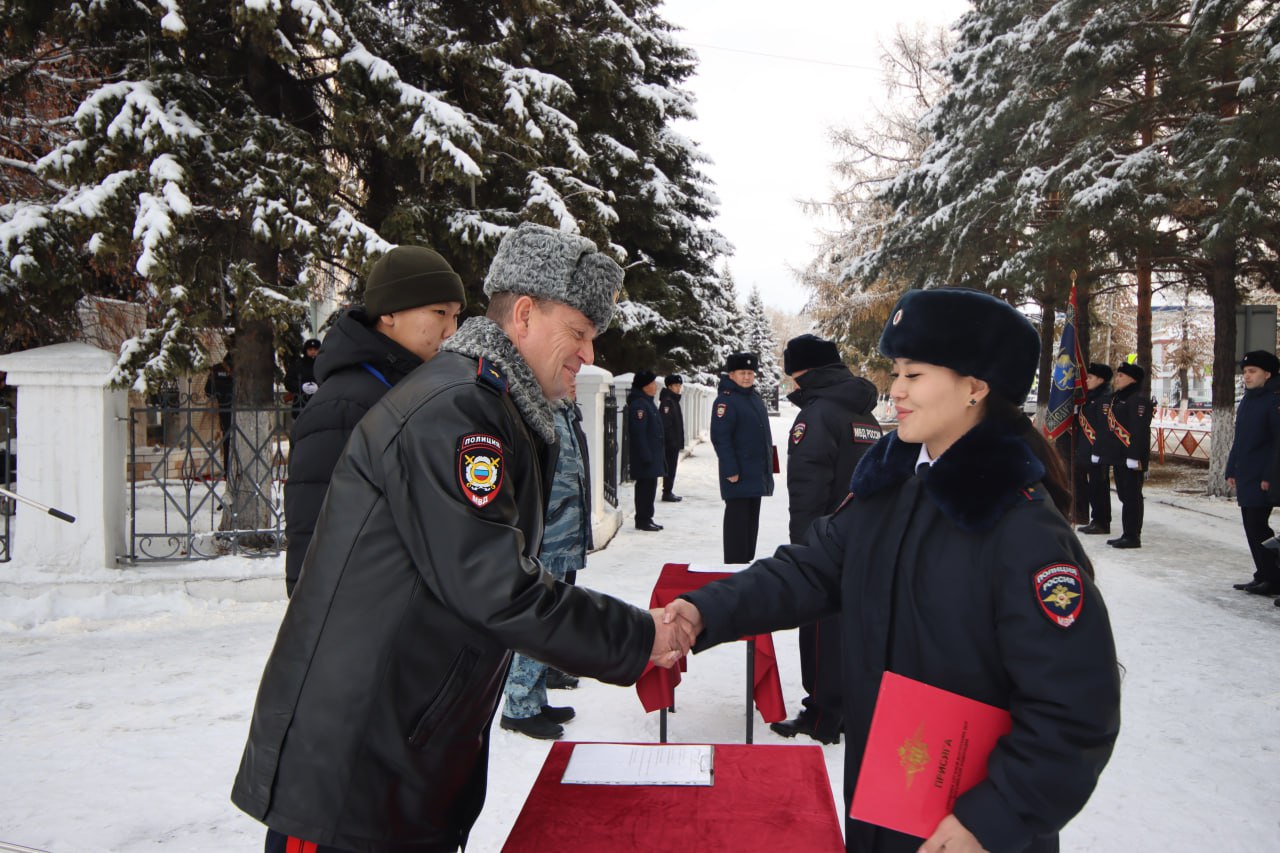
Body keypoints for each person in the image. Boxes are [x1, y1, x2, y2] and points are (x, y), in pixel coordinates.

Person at [231, 222, 694, 853]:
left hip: (402, 757)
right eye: (580, 334)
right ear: (525, 314)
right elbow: (496, 587)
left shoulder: (495, 406)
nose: (588, 355)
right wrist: (639, 636)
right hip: (356, 777)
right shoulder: (458, 411)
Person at [664, 288, 1121, 853]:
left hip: (969, 829)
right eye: (896, 372)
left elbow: (1075, 708)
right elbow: (808, 571)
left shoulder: (1020, 526)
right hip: (885, 799)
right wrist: (702, 611)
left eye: (916, 375)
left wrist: (993, 818)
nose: (895, 391)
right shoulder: (888, 488)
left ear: (976, 387)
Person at [282, 245, 465, 596]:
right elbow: (313, 538)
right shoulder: (343, 405)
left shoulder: (417, 389)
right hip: (367, 629)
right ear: (390, 313)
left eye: (456, 316)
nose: (450, 331)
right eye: (440, 312)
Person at [769, 333, 881, 746]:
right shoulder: (862, 414)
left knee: (818, 626)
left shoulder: (817, 415)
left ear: (802, 373)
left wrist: (804, 551)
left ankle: (821, 716)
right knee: (850, 626)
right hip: (862, 536)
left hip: (826, 541)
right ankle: (849, 709)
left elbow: (808, 487)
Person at [499, 388, 593, 739]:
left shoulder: (567, 411)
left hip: (567, 530)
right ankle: (518, 706)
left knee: (554, 618)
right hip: (547, 533)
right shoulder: (534, 409)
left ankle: (536, 699)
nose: (573, 381)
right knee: (538, 618)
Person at [1225, 350, 1280, 596]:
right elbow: (1240, 439)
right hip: (1247, 473)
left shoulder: (1273, 400)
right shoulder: (1249, 399)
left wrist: (1270, 476)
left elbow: (1277, 442)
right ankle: (1263, 574)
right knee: (1251, 526)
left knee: (1259, 526)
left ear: (1267, 374)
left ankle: (1273, 577)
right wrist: (1230, 467)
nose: (1246, 376)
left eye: (1252, 371)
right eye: (1245, 371)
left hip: (1263, 477)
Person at [711, 352, 774, 562]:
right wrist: (730, 470)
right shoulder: (726, 401)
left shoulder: (754, 399)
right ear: (731, 374)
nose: (747, 377)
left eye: (750, 373)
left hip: (756, 473)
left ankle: (745, 561)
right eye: (742, 373)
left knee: (750, 523)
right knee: (737, 523)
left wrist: (769, 468)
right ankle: (734, 564)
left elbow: (763, 435)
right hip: (738, 473)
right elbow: (721, 438)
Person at [1096, 361, 1152, 549]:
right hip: (1119, 456)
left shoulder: (1137, 400)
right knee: (1124, 495)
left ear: (1132, 379)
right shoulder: (1117, 399)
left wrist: (1134, 456)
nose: (1117, 379)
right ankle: (1127, 532)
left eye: (1121, 375)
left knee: (1132, 496)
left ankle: (1133, 536)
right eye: (1117, 375)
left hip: (1131, 457)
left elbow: (1139, 430)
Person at [1074, 363, 1114, 535]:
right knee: (1092, 487)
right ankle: (1095, 519)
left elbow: (1103, 429)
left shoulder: (1104, 398)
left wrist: (1098, 452)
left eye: (1090, 377)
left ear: (1100, 379)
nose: (1086, 380)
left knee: (1099, 486)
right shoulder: (1091, 397)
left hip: (1097, 451)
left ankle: (1102, 521)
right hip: (1086, 450)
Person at [627, 369, 665, 531]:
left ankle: (647, 517)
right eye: (651, 383)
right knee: (644, 489)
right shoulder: (639, 405)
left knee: (650, 488)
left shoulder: (648, 402)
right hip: (645, 457)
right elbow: (638, 433)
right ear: (644, 386)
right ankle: (642, 519)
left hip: (652, 455)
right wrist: (645, 455)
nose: (655, 386)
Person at [205, 357, 234, 476]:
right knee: (231, 440)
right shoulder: (220, 369)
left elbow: (208, 391)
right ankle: (230, 472)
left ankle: (228, 472)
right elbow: (208, 391)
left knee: (229, 440)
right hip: (231, 409)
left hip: (227, 410)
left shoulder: (217, 368)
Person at [659, 373, 686, 502]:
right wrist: (672, 441)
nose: (678, 388)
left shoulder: (673, 401)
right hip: (670, 443)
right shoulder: (667, 402)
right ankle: (667, 492)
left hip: (673, 442)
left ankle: (668, 490)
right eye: (676, 385)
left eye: (679, 385)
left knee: (672, 467)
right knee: (669, 467)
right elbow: (666, 424)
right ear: (669, 387)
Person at [284, 337, 322, 419]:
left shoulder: (323, 364)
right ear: (306, 350)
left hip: (319, 404)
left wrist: (319, 387)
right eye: (310, 349)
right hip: (300, 406)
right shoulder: (297, 365)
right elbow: (288, 382)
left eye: (315, 349)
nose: (313, 352)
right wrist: (301, 386)